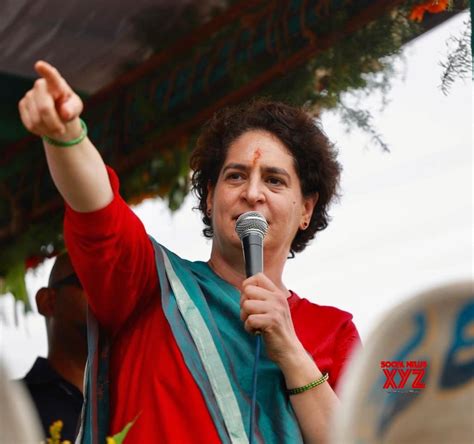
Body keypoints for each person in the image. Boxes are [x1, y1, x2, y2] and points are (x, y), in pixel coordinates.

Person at [19, 60, 361, 444]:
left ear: (306, 209)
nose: (252, 193)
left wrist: (291, 352)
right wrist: (67, 136)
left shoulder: (333, 331)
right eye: (235, 176)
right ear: (211, 196)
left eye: (274, 180)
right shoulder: (151, 286)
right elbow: (98, 212)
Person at [21, 252, 87, 442]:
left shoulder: (135, 399)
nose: (108, 296)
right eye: (90, 280)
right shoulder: (13, 404)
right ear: (48, 301)